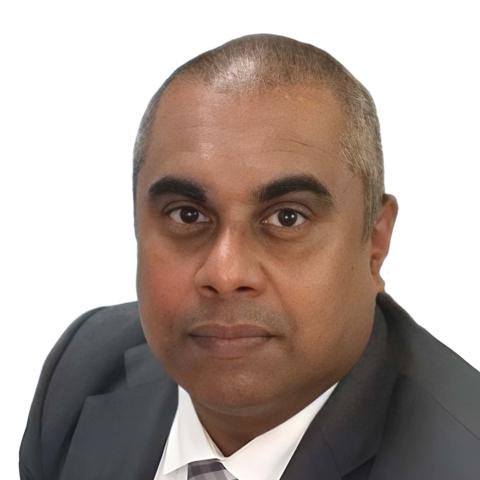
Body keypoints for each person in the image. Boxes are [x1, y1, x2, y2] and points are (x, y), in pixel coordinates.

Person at [20, 34, 480, 480]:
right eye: (187, 214)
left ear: (375, 241)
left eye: (287, 218)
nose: (225, 273)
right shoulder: (83, 369)